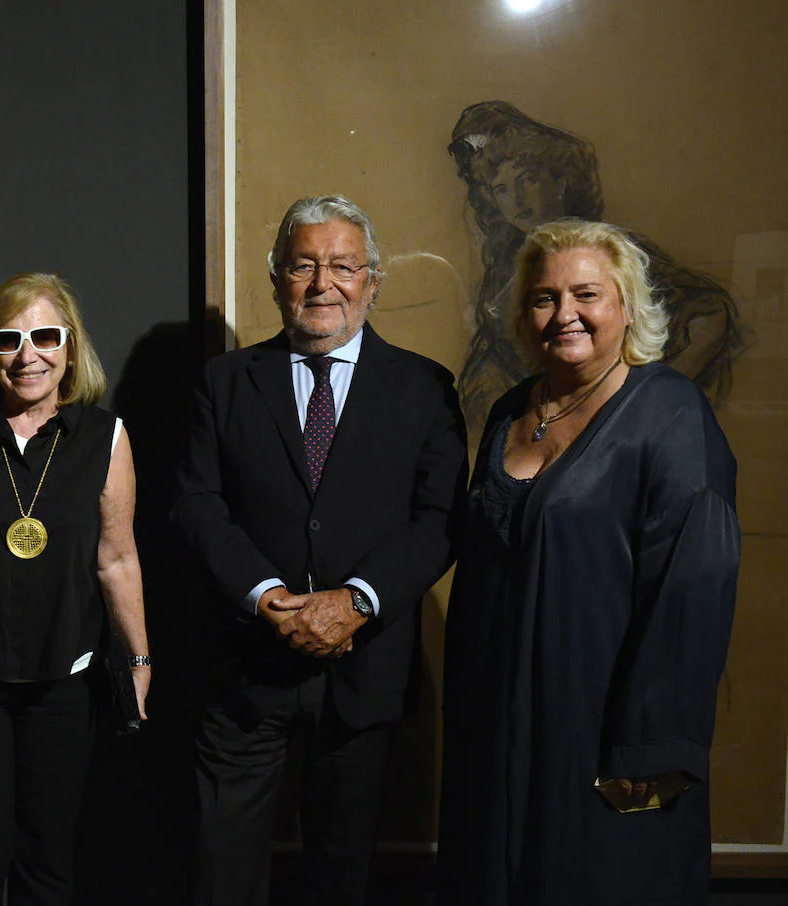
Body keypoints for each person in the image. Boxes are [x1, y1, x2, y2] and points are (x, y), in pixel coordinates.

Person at [170, 195, 468, 906]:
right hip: (247, 664)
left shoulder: (425, 388)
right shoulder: (223, 382)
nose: (321, 284)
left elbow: (440, 518)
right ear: (276, 279)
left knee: (343, 871)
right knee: (223, 871)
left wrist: (356, 601)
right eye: (303, 265)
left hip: (365, 665)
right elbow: (195, 504)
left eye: (341, 266)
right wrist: (266, 597)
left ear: (373, 281)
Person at [436, 219, 740, 905]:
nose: (563, 314)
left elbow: (693, 586)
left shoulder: (670, 412)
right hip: (498, 720)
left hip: (605, 722)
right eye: (544, 298)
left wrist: (652, 742)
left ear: (626, 306)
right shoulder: (514, 409)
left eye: (586, 294)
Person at [0, 273, 150, 905]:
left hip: (63, 683)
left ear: (70, 349)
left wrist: (140, 659)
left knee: (49, 857)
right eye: (9, 339)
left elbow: (117, 558)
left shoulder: (105, 437)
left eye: (45, 336)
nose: (27, 354)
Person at [447, 100, 744, 427]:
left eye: (527, 180)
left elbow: (711, 313)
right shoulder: (505, 270)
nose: (516, 199)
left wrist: (646, 397)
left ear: (559, 182)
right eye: (501, 189)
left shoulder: (607, 252)